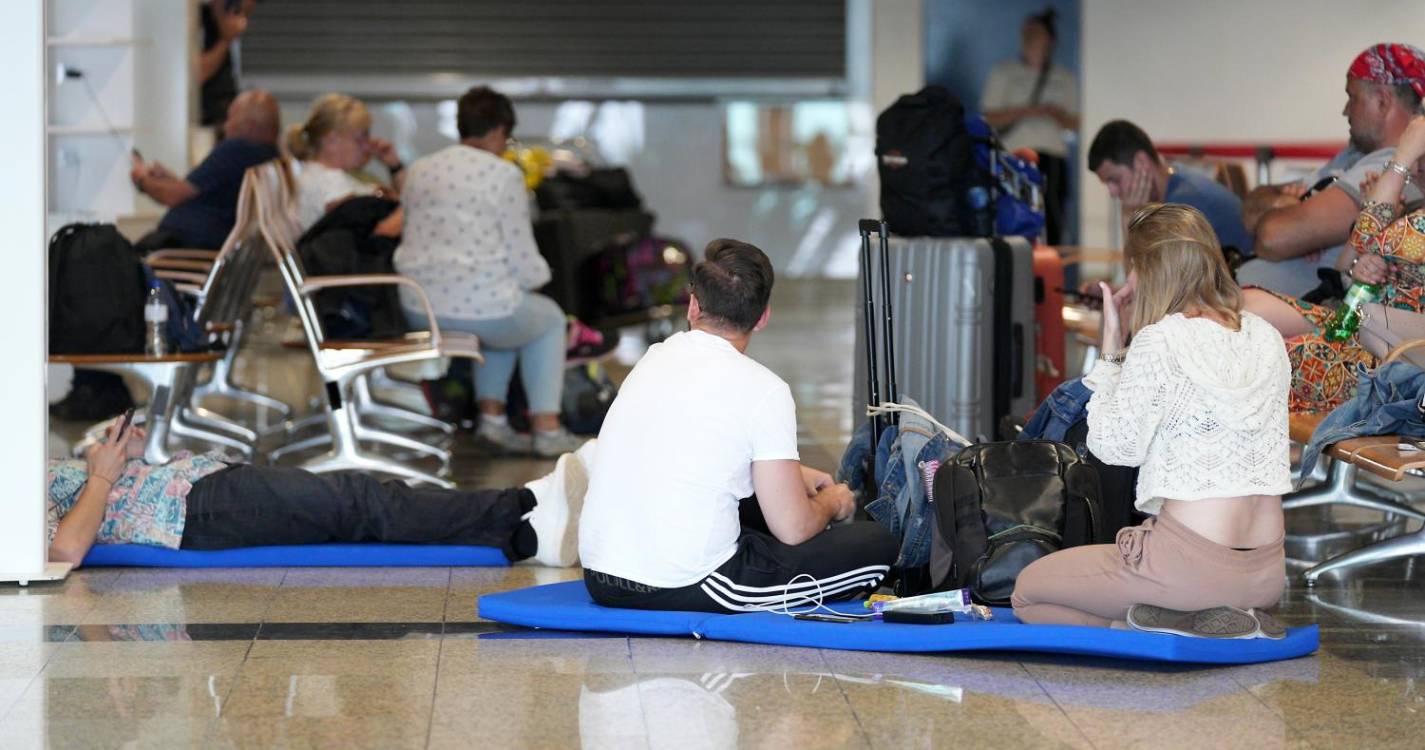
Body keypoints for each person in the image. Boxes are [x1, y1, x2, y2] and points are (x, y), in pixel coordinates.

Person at [1011, 204, 1292, 638]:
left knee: (1028, 593)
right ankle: (1195, 619)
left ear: (1149, 270)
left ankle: (1157, 626)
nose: (1130, 284)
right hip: (1266, 572)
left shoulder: (1160, 340)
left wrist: (1110, 352)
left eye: (1134, 270)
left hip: (1188, 566)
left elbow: (1114, 448)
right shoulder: (1265, 336)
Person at [578, 239, 898, 613]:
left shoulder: (654, 357)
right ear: (762, 317)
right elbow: (793, 528)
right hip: (685, 583)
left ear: (694, 305)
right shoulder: (765, 389)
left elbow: (695, 447)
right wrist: (831, 502)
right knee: (878, 542)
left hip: (601, 577)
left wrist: (795, 473)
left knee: (766, 500)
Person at [46, 418, 594, 569]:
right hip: (193, 513)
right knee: (358, 502)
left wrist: (124, 457)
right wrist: (103, 475)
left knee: (355, 503)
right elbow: (65, 550)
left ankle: (527, 532)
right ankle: (525, 504)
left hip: (198, 488)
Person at [394, 86, 582, 457]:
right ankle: (547, 429)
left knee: (509, 311)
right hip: (484, 308)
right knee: (545, 318)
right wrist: (542, 276)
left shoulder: (419, 169)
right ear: (498, 130)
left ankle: (493, 422)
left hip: (419, 306)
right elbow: (523, 257)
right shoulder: (503, 175)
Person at [1245, 115, 1425, 413]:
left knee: (1259, 355)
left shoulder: (1417, 225)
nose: (1416, 168)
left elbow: (1363, 243)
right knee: (1243, 307)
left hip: (1396, 363)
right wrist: (1363, 266)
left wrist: (1398, 165)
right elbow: (1348, 263)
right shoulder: (1412, 216)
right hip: (1359, 326)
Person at [1236, 43, 1425, 297]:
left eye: (1352, 97)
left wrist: (1292, 210)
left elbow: (1273, 237)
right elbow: (1250, 209)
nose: (1345, 110)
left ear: (1381, 102)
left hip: (1306, 315)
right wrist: (1283, 203)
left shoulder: (1391, 168)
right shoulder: (1352, 155)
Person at [130, 90, 281, 253]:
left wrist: (141, 179)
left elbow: (173, 196)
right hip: (205, 246)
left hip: (183, 247)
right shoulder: (268, 158)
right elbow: (199, 192)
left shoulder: (236, 150)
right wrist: (169, 179)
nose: (225, 126)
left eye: (231, 119)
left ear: (249, 126)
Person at [981, 8, 1079, 245]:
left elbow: (1075, 123)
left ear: (1050, 40)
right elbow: (988, 116)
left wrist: (1055, 114)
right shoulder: (1004, 72)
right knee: (1013, 215)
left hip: (1052, 157)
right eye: (1027, 33)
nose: (1030, 38)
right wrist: (1028, 111)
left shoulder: (1063, 77)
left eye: (1036, 33)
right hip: (1015, 155)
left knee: (1053, 219)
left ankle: (1052, 274)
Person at [1088, 120, 1252, 259]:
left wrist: (1130, 219)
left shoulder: (1184, 205)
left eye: (1114, 180)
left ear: (1141, 162)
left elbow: (1147, 291)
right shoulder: (1178, 184)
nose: (1112, 192)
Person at [287, 93, 406, 234]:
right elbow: (375, 235)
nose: (368, 146)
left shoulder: (309, 172)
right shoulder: (330, 181)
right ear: (331, 142)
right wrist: (410, 210)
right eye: (360, 139)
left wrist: (394, 166)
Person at [198, 0, 256, 134]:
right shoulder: (198, 19)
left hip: (225, 107)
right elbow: (200, 73)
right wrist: (226, 39)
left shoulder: (229, 25)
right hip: (207, 117)